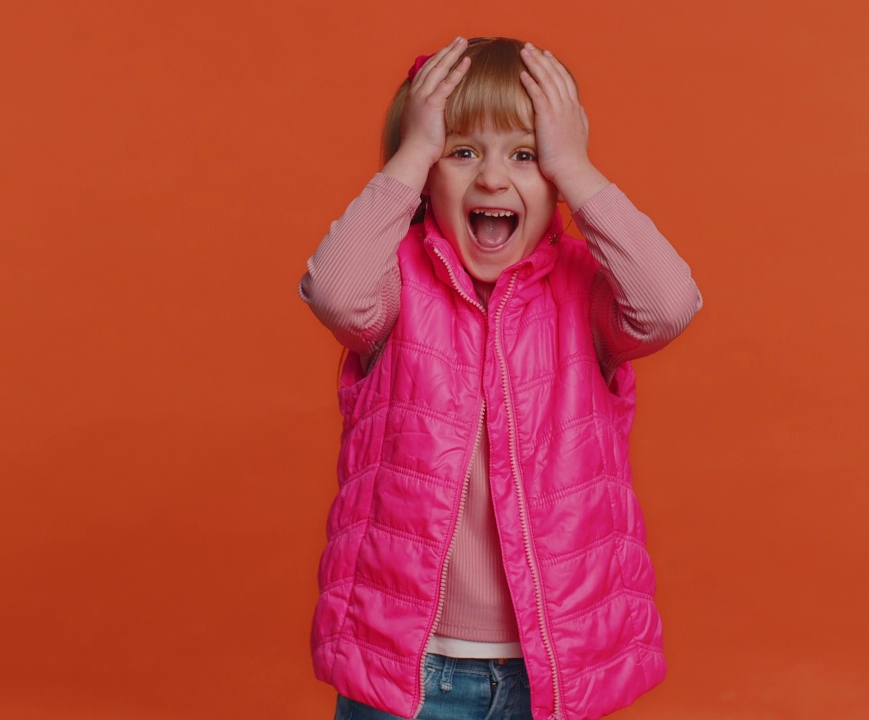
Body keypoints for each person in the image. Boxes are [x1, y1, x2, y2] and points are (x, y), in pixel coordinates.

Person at [299, 36, 702, 720]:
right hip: (409, 673)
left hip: (553, 672)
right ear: (428, 180)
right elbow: (332, 290)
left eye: (525, 154)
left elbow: (668, 304)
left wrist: (576, 168)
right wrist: (411, 155)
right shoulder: (395, 291)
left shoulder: (585, 294)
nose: (492, 179)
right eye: (461, 152)